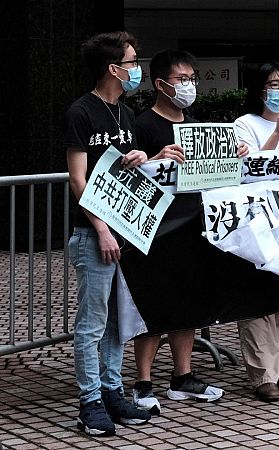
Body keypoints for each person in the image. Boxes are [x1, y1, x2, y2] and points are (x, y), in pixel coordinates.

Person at [131, 49, 230, 415]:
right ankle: (143, 382)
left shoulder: (198, 127)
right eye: (181, 79)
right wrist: (155, 160)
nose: (189, 86)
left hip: (193, 224)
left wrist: (235, 154)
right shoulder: (142, 125)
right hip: (153, 230)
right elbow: (128, 174)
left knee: (187, 302)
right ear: (160, 84)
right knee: (152, 305)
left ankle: (182, 377)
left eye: (192, 79)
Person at [64, 31, 152, 437]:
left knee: (118, 322)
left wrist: (141, 157)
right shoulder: (81, 111)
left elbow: (124, 170)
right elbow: (79, 181)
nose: (137, 69)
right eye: (132, 62)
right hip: (93, 234)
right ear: (113, 67)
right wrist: (100, 229)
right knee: (92, 323)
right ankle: (90, 401)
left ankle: (113, 390)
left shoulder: (126, 113)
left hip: (126, 232)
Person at [233, 61, 279, 401]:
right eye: (273, 84)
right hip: (256, 221)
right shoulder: (243, 125)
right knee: (256, 296)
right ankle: (262, 373)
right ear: (259, 89)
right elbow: (251, 171)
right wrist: (277, 132)